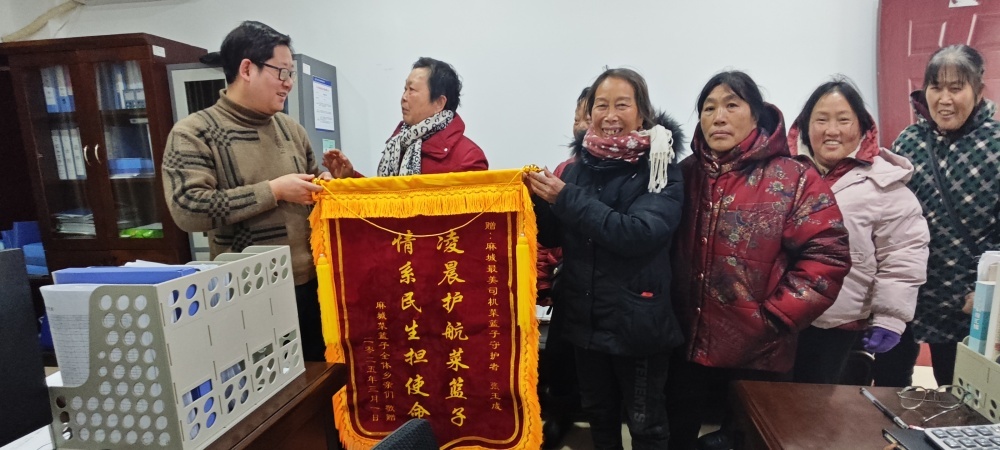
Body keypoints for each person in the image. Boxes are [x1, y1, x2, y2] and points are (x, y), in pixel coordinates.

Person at [666, 71, 851, 450]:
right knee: (675, 437)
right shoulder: (683, 175)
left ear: (755, 115)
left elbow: (827, 255)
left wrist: (776, 318)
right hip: (686, 343)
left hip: (759, 351)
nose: (718, 117)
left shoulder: (794, 178)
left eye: (731, 105)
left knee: (750, 439)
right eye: (708, 108)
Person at [528, 68, 685, 450]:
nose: (610, 115)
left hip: (637, 324)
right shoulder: (578, 169)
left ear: (642, 113)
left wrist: (565, 198)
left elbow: (637, 233)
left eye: (621, 105)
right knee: (599, 417)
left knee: (646, 427)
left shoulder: (660, 167)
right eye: (601, 105)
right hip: (586, 321)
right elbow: (555, 236)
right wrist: (538, 201)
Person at [161, 21, 328, 361]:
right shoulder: (194, 132)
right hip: (246, 291)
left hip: (310, 283)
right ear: (247, 69)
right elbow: (188, 209)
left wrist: (329, 178)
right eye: (282, 72)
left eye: (292, 74)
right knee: (266, 380)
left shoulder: (290, 129)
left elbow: (312, 180)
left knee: (318, 378)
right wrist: (273, 191)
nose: (289, 83)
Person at [788, 78, 930, 385]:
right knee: (772, 405)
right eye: (821, 120)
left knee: (823, 408)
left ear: (863, 127)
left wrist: (890, 318)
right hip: (781, 319)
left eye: (843, 120)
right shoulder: (782, 175)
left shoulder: (886, 186)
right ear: (805, 127)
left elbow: (903, 257)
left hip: (841, 327)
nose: (832, 130)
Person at [880, 44, 1000, 387]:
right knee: (889, 386)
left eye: (956, 88)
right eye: (936, 87)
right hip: (907, 292)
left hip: (967, 302)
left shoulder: (996, 145)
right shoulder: (910, 141)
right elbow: (888, 213)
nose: (944, 99)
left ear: (978, 91)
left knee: (958, 392)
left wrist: (990, 292)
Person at [324, 57, 487, 178]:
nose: (403, 97)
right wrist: (350, 177)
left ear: (439, 103)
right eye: (404, 89)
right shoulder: (398, 144)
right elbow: (386, 201)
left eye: (412, 90)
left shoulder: (468, 159)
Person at [535, 86, 590, 449]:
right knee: (558, 359)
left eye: (587, 116)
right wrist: (544, 285)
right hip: (568, 285)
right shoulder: (564, 170)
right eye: (576, 117)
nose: (580, 125)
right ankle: (560, 417)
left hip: (606, 290)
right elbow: (548, 239)